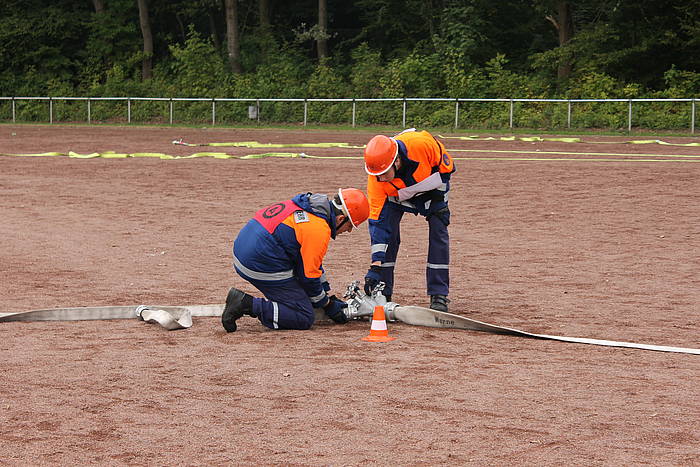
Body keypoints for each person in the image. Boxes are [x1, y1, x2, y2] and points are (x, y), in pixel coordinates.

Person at [222, 188, 370, 332]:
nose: (349, 230)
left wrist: (325, 295)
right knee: (303, 315)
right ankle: (247, 304)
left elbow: (310, 264)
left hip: (245, 250)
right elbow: (309, 277)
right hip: (258, 262)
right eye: (350, 226)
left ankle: (250, 302)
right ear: (341, 219)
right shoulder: (319, 229)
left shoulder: (309, 207)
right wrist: (327, 304)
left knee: (309, 294)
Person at [362, 129, 455, 312]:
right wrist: (375, 265)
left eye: (384, 173)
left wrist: (437, 202)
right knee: (389, 236)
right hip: (397, 195)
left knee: (439, 231)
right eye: (377, 175)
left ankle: (439, 294)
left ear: (396, 161)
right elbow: (378, 223)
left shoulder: (422, 145)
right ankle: (383, 291)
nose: (380, 178)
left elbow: (447, 169)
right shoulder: (377, 180)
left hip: (431, 187)